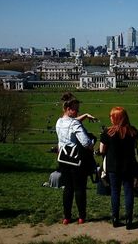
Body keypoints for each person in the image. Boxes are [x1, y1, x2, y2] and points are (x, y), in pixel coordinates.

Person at [56, 92, 96, 225]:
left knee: (68, 189)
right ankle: (81, 216)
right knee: (79, 189)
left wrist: (83, 116)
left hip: (63, 159)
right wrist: (92, 145)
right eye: (76, 109)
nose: (77, 112)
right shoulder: (75, 124)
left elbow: (71, 122)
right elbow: (85, 142)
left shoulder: (59, 122)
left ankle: (67, 217)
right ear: (69, 109)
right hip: (76, 159)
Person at [99, 107, 138, 230]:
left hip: (113, 167)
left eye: (112, 116)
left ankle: (115, 219)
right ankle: (129, 220)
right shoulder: (133, 132)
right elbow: (135, 146)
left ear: (116, 118)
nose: (110, 118)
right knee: (128, 192)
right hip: (128, 166)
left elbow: (102, 150)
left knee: (115, 193)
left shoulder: (108, 133)